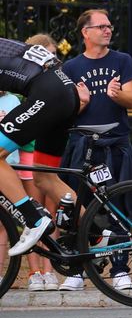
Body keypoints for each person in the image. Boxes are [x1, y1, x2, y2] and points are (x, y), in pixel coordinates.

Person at [60, 9, 132, 292]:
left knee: (118, 207)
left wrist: (118, 95)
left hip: (116, 145)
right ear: (86, 32)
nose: (108, 30)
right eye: (101, 26)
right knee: (77, 208)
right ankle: (78, 268)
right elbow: (66, 112)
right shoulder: (70, 67)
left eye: (109, 26)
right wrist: (79, 104)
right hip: (83, 148)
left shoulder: (122, 61)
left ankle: (120, 269)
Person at [0, 36, 85, 258]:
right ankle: (95, 233)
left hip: (48, 94)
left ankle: (34, 219)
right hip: (65, 94)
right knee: (45, 178)